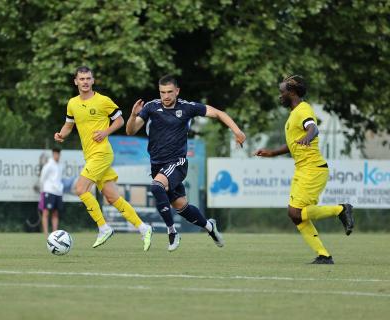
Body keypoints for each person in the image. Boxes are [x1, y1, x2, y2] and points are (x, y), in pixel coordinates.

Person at [126, 75, 246, 251]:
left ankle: (172, 232)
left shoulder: (187, 108)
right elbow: (131, 130)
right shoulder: (151, 107)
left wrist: (237, 131)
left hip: (177, 162)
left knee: (157, 186)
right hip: (157, 165)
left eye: (169, 92)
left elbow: (219, 113)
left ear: (177, 91)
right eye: (162, 92)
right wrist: (133, 115)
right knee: (181, 206)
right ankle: (210, 227)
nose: (165, 96)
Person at [254, 75, 354, 264]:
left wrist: (309, 136)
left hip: (313, 169)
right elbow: (293, 144)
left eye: (282, 91)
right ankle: (323, 255)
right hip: (302, 169)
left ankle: (341, 209)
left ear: (291, 92)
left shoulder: (303, 110)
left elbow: (313, 127)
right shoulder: (293, 114)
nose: (280, 95)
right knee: (297, 216)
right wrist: (272, 152)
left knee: (295, 212)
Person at [54, 66, 153, 251]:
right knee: (112, 196)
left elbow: (120, 120)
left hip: (102, 153)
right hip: (90, 156)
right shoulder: (72, 103)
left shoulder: (103, 101)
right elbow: (69, 125)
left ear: (93, 81)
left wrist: (105, 132)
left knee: (80, 188)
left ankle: (103, 227)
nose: (85, 82)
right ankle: (143, 228)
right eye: (81, 79)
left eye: (88, 78)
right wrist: (61, 135)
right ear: (75, 81)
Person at [39, 148, 64, 237]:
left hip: (58, 192)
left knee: (55, 213)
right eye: (55, 154)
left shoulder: (60, 165)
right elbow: (42, 178)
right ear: (53, 154)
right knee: (46, 212)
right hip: (49, 191)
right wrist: (43, 190)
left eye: (58, 154)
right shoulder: (49, 165)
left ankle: (54, 233)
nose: (57, 156)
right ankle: (46, 233)